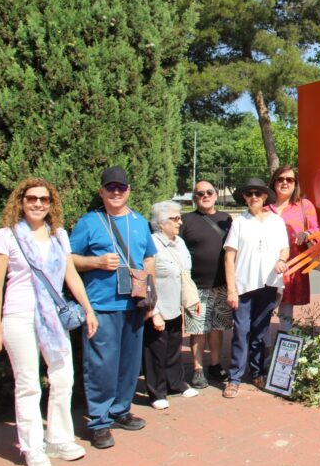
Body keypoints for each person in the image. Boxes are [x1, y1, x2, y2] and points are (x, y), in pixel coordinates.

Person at [0, 178, 98, 466]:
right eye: (31, 198)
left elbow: (70, 275)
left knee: (63, 378)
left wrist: (88, 309)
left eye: (44, 199)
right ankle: (32, 447)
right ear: (20, 202)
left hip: (53, 317)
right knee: (28, 385)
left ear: (51, 204)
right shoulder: (6, 236)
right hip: (19, 316)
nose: (37, 203)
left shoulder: (58, 235)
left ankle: (58, 438)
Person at [70, 166, 157, 449]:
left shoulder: (140, 221)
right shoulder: (89, 222)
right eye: (111, 188)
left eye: (121, 187)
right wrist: (95, 263)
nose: (116, 192)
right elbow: (68, 259)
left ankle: (120, 410)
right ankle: (99, 421)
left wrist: (150, 299)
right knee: (101, 365)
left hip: (134, 304)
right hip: (102, 305)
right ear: (102, 191)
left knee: (129, 365)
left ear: (129, 190)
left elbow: (149, 260)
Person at [222, 178, 289, 398]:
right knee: (241, 332)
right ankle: (234, 378)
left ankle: (257, 372)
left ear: (264, 197)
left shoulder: (276, 221)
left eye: (258, 194)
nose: (253, 197)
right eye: (249, 194)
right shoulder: (239, 222)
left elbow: (284, 249)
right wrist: (231, 289)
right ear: (244, 197)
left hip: (268, 283)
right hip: (244, 285)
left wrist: (281, 259)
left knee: (261, 332)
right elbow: (229, 257)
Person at [144, 201, 200, 410]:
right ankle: (157, 392)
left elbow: (184, 275)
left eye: (179, 218)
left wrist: (190, 300)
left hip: (176, 306)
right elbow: (147, 280)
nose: (180, 222)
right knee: (155, 349)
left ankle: (176, 383)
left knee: (173, 347)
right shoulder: (151, 244)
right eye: (175, 219)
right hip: (158, 307)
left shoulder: (180, 243)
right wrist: (153, 311)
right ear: (160, 223)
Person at [180, 181, 233, 389]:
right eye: (200, 193)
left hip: (221, 284)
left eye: (209, 192)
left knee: (217, 327)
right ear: (195, 197)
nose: (205, 195)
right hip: (196, 286)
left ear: (216, 194)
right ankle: (198, 369)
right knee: (198, 328)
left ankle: (215, 364)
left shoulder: (227, 219)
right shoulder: (186, 221)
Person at [268, 165, 320, 332]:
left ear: (295, 183)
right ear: (274, 182)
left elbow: (316, 229)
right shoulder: (264, 206)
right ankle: (263, 351)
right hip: (266, 267)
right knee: (263, 312)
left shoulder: (304, 206)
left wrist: (307, 233)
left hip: (292, 266)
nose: (285, 183)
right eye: (280, 179)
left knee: (286, 312)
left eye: (289, 179)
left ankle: (283, 354)